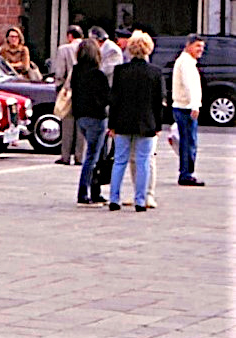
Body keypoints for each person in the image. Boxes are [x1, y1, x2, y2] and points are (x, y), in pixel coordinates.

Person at [107, 31, 163, 212]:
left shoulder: (120, 71)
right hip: (146, 122)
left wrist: (112, 124)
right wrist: (158, 125)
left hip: (122, 122)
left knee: (120, 161)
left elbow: (114, 99)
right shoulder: (155, 72)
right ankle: (141, 200)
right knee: (143, 161)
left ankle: (114, 198)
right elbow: (158, 102)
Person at [71, 38, 109, 205]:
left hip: (81, 117)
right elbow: (106, 97)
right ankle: (84, 191)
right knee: (93, 156)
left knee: (96, 154)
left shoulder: (76, 72)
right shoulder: (98, 74)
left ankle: (95, 190)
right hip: (97, 118)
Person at [51, 24, 86, 165]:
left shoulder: (64, 49)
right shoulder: (88, 47)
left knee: (67, 124)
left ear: (69, 36)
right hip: (83, 90)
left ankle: (65, 156)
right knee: (81, 126)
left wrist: (59, 86)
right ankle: (79, 156)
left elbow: (60, 71)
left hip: (69, 89)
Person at [172, 35, 205, 187]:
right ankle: (186, 174)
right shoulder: (185, 63)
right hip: (185, 107)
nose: (201, 50)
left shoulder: (188, 62)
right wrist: (194, 105)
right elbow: (189, 85)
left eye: (202, 47)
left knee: (188, 141)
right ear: (189, 46)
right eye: (198, 46)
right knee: (188, 142)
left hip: (184, 106)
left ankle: (186, 171)